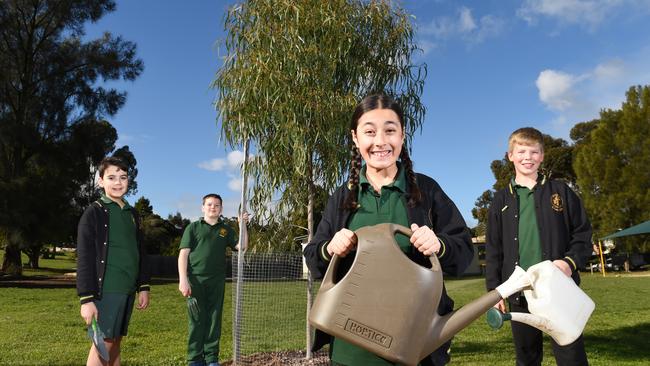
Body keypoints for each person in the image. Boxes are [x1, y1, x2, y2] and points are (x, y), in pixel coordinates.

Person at [303, 93, 474, 366]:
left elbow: (463, 251)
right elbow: (314, 256)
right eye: (370, 132)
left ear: (402, 136)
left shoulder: (427, 191)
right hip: (350, 350)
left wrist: (439, 245)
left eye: (390, 131)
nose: (380, 141)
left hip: (414, 348)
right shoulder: (342, 198)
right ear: (355, 138)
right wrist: (330, 248)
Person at [485, 127, 592, 366]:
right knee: (527, 358)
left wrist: (569, 262)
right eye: (521, 151)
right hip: (519, 293)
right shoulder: (500, 201)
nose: (528, 157)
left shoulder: (561, 192)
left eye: (534, 152)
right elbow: (493, 251)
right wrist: (495, 292)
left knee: (571, 356)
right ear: (510, 155)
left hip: (559, 290)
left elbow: (583, 234)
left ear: (542, 156)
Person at [76, 156, 150, 366]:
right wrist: (86, 299)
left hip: (126, 288)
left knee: (116, 342)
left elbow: (140, 252)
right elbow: (84, 257)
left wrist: (143, 286)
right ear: (101, 181)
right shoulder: (94, 213)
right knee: (102, 345)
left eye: (123, 177)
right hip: (106, 289)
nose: (118, 182)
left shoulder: (132, 213)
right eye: (111, 177)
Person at [178, 194, 248, 366]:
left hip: (217, 281)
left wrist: (243, 225)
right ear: (203, 207)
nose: (213, 207)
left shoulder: (226, 230)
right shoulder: (193, 228)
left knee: (214, 319)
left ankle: (211, 358)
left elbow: (242, 247)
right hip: (195, 281)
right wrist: (183, 280)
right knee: (196, 319)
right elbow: (183, 255)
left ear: (221, 209)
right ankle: (195, 358)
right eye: (209, 204)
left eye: (217, 205)